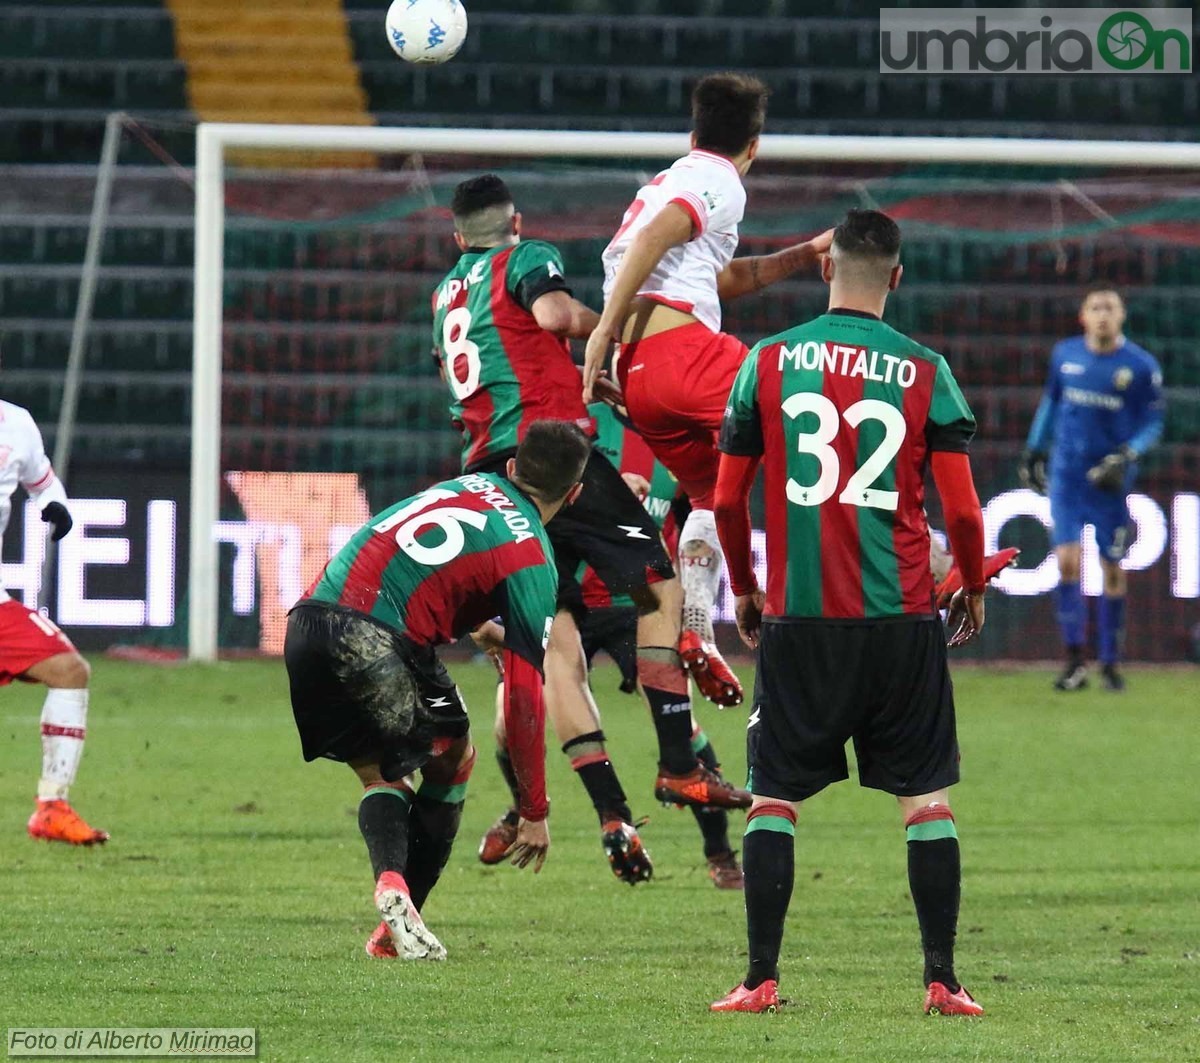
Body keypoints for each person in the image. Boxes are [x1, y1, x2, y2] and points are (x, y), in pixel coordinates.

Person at [432, 176, 749, 885]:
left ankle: (569, 809)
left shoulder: (446, 294)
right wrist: (606, 321)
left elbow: (501, 359)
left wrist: (579, 374)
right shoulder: (524, 256)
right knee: (660, 587)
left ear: (457, 239)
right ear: (517, 220)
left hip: (489, 471)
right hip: (550, 450)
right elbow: (551, 314)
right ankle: (677, 766)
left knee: (545, 657)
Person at [710, 210, 987, 1016]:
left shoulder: (765, 362)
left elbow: (728, 496)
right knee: (926, 801)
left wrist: (745, 587)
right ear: (896, 278)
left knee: (773, 799)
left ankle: (761, 977)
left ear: (825, 265)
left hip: (800, 617)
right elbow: (964, 515)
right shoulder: (927, 368)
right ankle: (943, 978)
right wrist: (969, 582)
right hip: (901, 618)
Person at [283, 422, 588, 959]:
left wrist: (484, 629)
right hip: (378, 638)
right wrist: (533, 810)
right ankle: (396, 927)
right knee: (454, 759)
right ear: (575, 493)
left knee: (380, 772)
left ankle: (392, 890)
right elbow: (522, 698)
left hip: (308, 623)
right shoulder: (533, 558)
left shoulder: (467, 485)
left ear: (512, 468)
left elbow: (428, 566)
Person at [582, 71, 832, 708]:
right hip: (680, 353)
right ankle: (894, 585)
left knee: (714, 493)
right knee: (821, 419)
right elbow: (659, 235)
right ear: (755, 146)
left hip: (646, 377)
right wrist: (600, 331)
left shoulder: (665, 180)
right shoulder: (717, 177)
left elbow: (716, 278)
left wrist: (805, 254)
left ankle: (698, 627)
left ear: (692, 131)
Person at [477, 403, 745, 890]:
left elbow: (700, 537)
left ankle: (719, 851)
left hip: (632, 600)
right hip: (567, 594)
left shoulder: (679, 447)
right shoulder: (583, 427)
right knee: (504, 716)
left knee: (676, 720)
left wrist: (694, 626)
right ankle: (527, 810)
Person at [1018, 288, 1164, 692]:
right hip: (1067, 473)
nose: (1102, 315)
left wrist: (1126, 455)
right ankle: (1074, 660)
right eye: (1095, 308)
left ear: (1122, 316)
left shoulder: (1139, 366)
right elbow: (1051, 404)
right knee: (1067, 561)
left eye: (1110, 308)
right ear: (1083, 316)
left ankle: (1111, 663)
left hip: (1109, 478)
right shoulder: (1065, 355)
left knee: (1112, 568)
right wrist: (1034, 451)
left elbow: (1154, 423)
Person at [0, 396, 107, 845]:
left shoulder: (16, 423)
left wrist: (55, 504)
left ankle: (52, 807)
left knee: (68, 670)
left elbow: (42, 482)